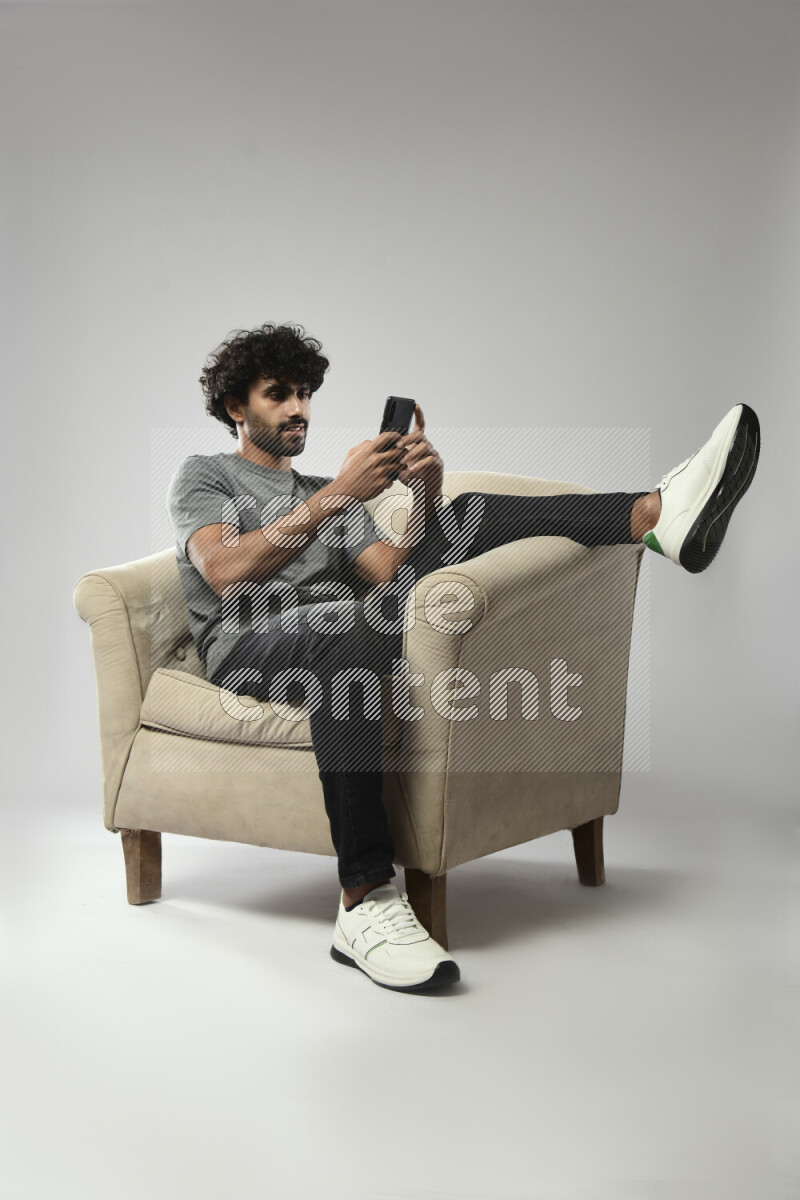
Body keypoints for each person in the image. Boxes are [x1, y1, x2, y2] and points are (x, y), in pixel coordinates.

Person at [166, 322, 761, 993]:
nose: (298, 408)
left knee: (464, 513)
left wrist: (426, 492)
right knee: (348, 630)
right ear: (236, 407)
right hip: (250, 641)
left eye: (305, 393)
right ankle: (364, 898)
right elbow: (224, 571)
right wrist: (340, 497)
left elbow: (390, 573)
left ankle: (654, 515)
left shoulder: (325, 489)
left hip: (347, 627)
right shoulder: (207, 475)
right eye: (279, 394)